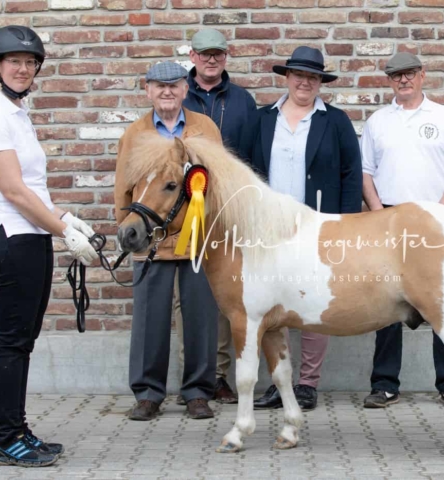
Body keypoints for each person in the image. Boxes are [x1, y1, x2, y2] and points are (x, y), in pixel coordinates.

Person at [239, 46, 362, 411]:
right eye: (298, 75)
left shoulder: (335, 121)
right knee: (274, 304)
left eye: (312, 77)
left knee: (311, 301)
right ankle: (281, 380)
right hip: (269, 229)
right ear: (287, 78)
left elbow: (351, 175)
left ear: (320, 82)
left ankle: (307, 383)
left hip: (317, 227)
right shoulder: (263, 120)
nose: (304, 82)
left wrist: (345, 226)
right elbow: (244, 171)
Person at [0, 26, 99, 467]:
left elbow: (34, 189)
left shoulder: (17, 112)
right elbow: (14, 191)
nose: (23, 69)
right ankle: (6, 437)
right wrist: (64, 234)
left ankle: (15, 427)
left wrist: (65, 219)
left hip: (33, 234)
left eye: (30, 63)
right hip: (14, 236)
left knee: (23, 340)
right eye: (14, 61)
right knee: (11, 342)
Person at [360, 52, 444, 409]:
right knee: (387, 302)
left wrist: (441, 212)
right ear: (389, 81)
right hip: (390, 218)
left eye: (409, 74)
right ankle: (385, 384)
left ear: (423, 75)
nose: (403, 80)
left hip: (436, 218)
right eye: (396, 75)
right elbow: (366, 172)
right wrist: (378, 215)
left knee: (442, 301)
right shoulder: (378, 121)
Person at [114, 62, 221, 421]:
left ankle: (198, 392)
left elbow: (216, 182)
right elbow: (123, 189)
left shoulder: (204, 128)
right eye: (159, 86)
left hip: (196, 237)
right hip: (152, 240)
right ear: (147, 90)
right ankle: (147, 394)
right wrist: (128, 230)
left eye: (173, 86)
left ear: (185, 89)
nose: (167, 92)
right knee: (149, 319)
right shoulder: (135, 133)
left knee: (201, 317)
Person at [172, 29, 257, 405]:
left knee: (225, 293)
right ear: (191, 55)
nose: (211, 59)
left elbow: (253, 156)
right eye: (204, 53)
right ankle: (190, 377)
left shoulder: (242, 100)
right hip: (185, 210)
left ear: (227, 55)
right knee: (185, 295)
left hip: (230, 210)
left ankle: (219, 376)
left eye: (217, 53)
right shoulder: (177, 94)